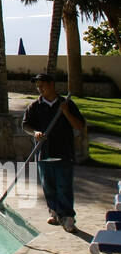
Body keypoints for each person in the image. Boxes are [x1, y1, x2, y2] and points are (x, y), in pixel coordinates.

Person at [22, 72, 87, 233]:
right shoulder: (35, 106)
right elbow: (26, 125)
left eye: (42, 85)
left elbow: (79, 125)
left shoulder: (66, 104)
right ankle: (55, 213)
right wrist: (35, 133)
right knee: (48, 187)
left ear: (51, 85)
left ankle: (68, 217)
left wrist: (65, 112)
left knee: (64, 186)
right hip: (44, 153)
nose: (39, 88)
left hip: (63, 152)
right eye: (37, 86)